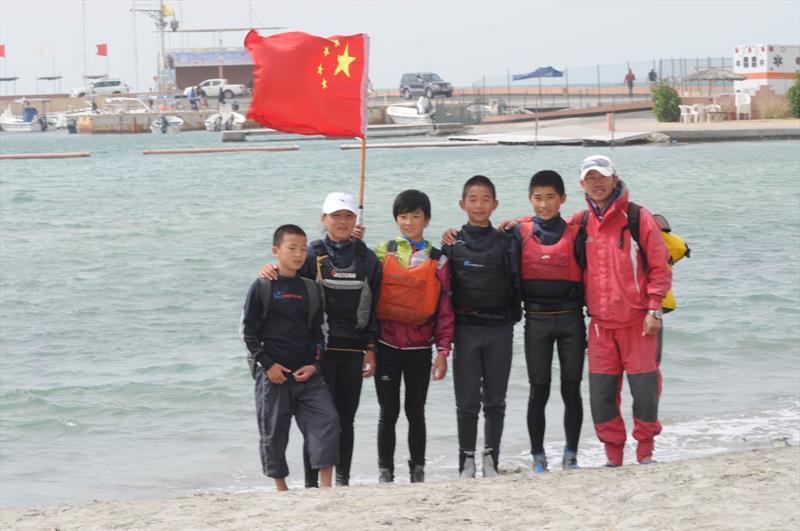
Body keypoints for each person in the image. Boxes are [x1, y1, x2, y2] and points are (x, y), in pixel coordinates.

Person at [258, 193, 378, 488]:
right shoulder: (311, 255)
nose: (342, 222)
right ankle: (312, 484)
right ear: (323, 219)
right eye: (336, 216)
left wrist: (371, 348)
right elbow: (288, 273)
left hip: (353, 349)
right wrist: (268, 269)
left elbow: (376, 307)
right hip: (318, 353)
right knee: (316, 422)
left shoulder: (368, 258)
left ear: (356, 220)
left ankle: (343, 481)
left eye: (348, 216)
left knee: (345, 420)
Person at [571, 155, 671, 467]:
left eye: (602, 176)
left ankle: (645, 454)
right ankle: (613, 458)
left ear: (615, 178)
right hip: (600, 326)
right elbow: (546, 226)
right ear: (582, 184)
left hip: (639, 322)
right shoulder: (581, 222)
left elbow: (660, 266)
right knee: (601, 396)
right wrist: (516, 224)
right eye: (590, 178)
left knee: (645, 393)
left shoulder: (637, 217)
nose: (596, 183)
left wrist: (654, 310)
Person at [240, 224, 340, 491]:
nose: (298, 254)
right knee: (273, 433)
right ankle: (281, 488)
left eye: (302, 248)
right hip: (273, 375)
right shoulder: (262, 286)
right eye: (291, 248)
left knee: (327, 421)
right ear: (276, 250)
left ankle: (326, 488)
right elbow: (248, 332)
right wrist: (268, 365)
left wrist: (315, 365)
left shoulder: (310, 288)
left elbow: (319, 332)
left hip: (307, 374)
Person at [440, 176, 521, 479]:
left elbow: (517, 280)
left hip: (500, 328)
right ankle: (466, 459)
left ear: (495, 204)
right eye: (472, 199)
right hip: (466, 329)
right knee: (467, 401)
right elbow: (443, 292)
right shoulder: (452, 242)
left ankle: (491, 458)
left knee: (496, 400)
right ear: (462, 204)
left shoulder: (507, 240)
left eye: (485, 199)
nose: (479, 205)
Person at [374, 189, 454, 484]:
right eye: (403, 216)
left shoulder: (439, 259)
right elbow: (366, 295)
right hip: (386, 346)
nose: (409, 222)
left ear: (427, 219)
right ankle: (385, 471)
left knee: (415, 411)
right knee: (388, 411)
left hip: (420, 348)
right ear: (396, 219)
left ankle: (417, 470)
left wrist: (443, 351)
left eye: (415, 216)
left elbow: (445, 309)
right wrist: (368, 346)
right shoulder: (384, 251)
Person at [512, 170, 586, 473]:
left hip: (571, 319)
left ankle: (571, 454)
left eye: (550, 198)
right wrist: (452, 234)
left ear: (563, 199)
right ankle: (538, 456)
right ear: (530, 199)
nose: (544, 205)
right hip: (537, 320)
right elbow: (483, 237)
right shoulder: (518, 232)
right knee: (538, 389)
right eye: (538, 198)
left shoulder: (577, 232)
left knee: (571, 389)